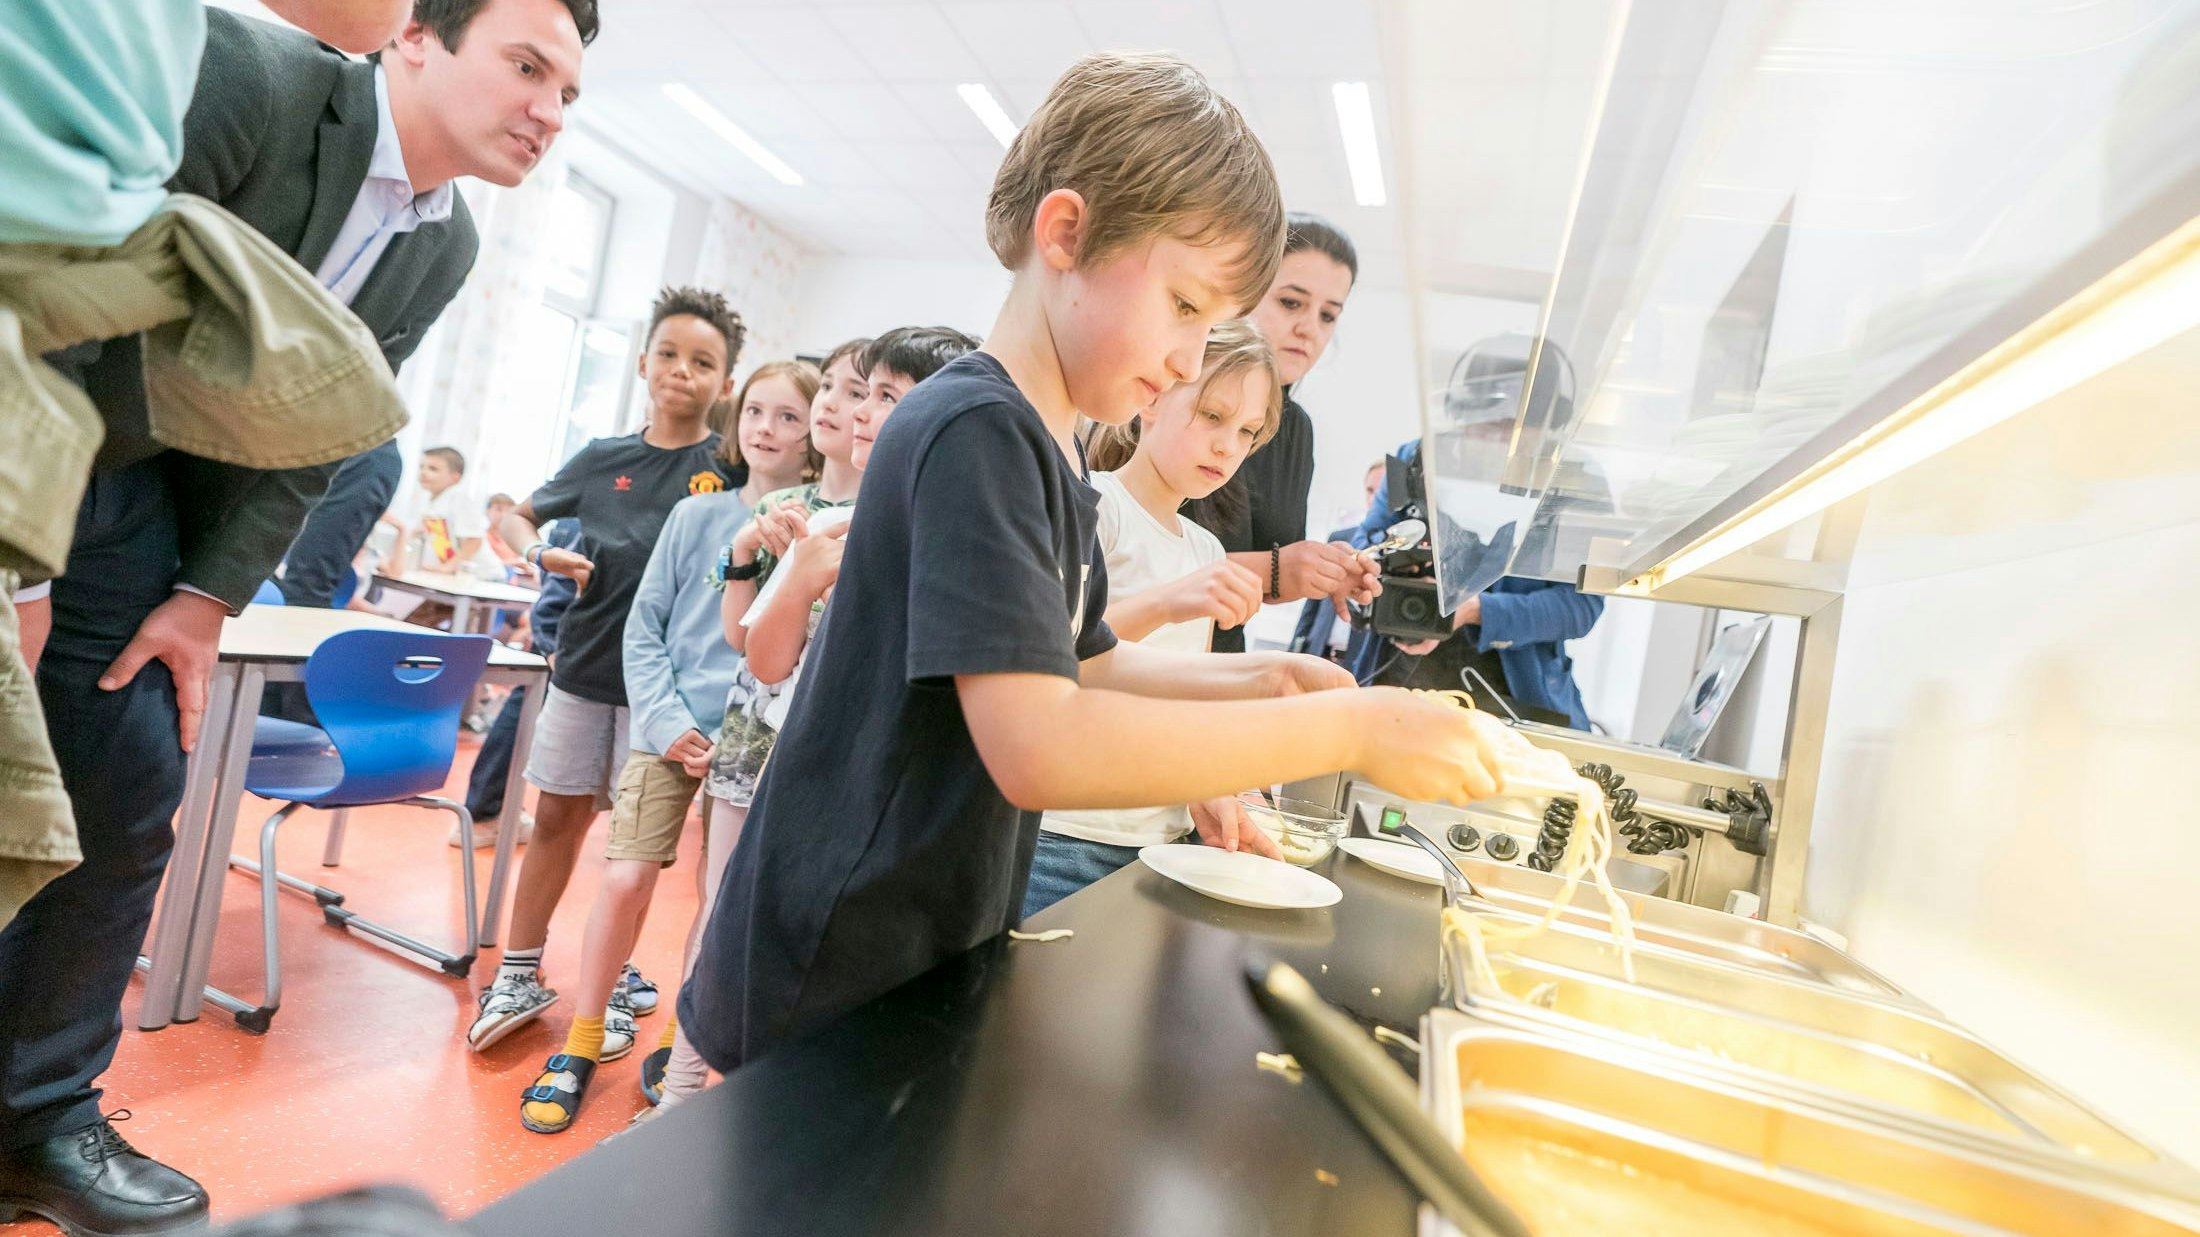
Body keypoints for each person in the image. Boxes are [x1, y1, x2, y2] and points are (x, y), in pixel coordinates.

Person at [677, 52, 1506, 1075]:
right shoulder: (974, 428)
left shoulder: (1050, 446)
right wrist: (1345, 723)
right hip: (838, 948)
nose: (1191, 357)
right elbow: (1040, 741)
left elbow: (1084, 659)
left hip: (920, 931)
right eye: (1187, 308)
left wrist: (1262, 677)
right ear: (1064, 233)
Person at [0, 3, 593, 1230]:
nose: (547, 108)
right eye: (525, 65)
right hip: (41, 440)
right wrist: (22, 564)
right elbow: (38, 276)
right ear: (415, 40)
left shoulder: (447, 243)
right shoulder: (247, 79)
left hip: (159, 496)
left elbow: (319, 429)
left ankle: (36, 1115)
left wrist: (208, 599)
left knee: (125, 796)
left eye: (568, 93)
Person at [517, 361, 819, 1134]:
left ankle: (684, 1051)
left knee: (715, 903)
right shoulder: (697, 516)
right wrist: (664, 721)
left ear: (814, 434)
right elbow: (644, 627)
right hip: (667, 727)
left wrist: (728, 734)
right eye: (756, 410)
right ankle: (581, 1044)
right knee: (624, 878)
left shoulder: (818, 530)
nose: (766, 428)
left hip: (751, 740)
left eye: (789, 416)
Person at [469, 286, 739, 1052]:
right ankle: (518, 970)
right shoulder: (602, 458)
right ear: (643, 360)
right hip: (584, 666)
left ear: (725, 381)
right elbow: (518, 514)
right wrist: (535, 551)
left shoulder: (726, 467)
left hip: (670, 693)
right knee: (556, 817)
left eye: (703, 362)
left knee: (635, 848)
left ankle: (611, 974)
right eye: (668, 353)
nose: (681, 371)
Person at [634, 337, 870, 1110]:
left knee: (800, 922)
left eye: (863, 393)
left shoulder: (891, 515)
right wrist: (745, 550)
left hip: (829, 743)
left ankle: (752, 1099)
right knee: (719, 902)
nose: (838, 403)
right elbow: (742, 638)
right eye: (830, 387)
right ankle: (679, 1089)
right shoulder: (776, 510)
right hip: (752, 729)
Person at [1020, 320, 1297, 918]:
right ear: (1151, 400)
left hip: (1158, 840)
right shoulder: (1096, 506)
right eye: (1212, 415)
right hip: (1066, 833)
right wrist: (1172, 600)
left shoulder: (1206, 549)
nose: (1229, 446)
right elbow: (1057, 654)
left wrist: (1205, 788)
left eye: (1248, 431)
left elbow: (1169, 698)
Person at [1183, 212, 1376, 652]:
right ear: (1246, 294)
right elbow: (1126, 561)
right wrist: (1275, 568)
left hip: (1220, 658)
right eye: (1291, 303)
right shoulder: (1174, 389)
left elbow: (1272, 580)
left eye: (1328, 316)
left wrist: (1325, 573)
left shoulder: (1295, 431)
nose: (1309, 329)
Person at [1350, 438, 1603, 729]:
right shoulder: (1418, 456)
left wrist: (1475, 610)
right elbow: (1363, 549)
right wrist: (1404, 562)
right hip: (1397, 687)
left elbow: (1580, 607)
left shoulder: (1574, 475)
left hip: (1510, 704)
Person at [380, 446, 502, 579]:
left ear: (455, 477)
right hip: (458, 575)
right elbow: (415, 535)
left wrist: (448, 567)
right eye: (422, 467)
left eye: (433, 469)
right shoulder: (431, 502)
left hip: (485, 575)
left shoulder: (459, 498)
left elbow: (474, 540)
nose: (424, 472)